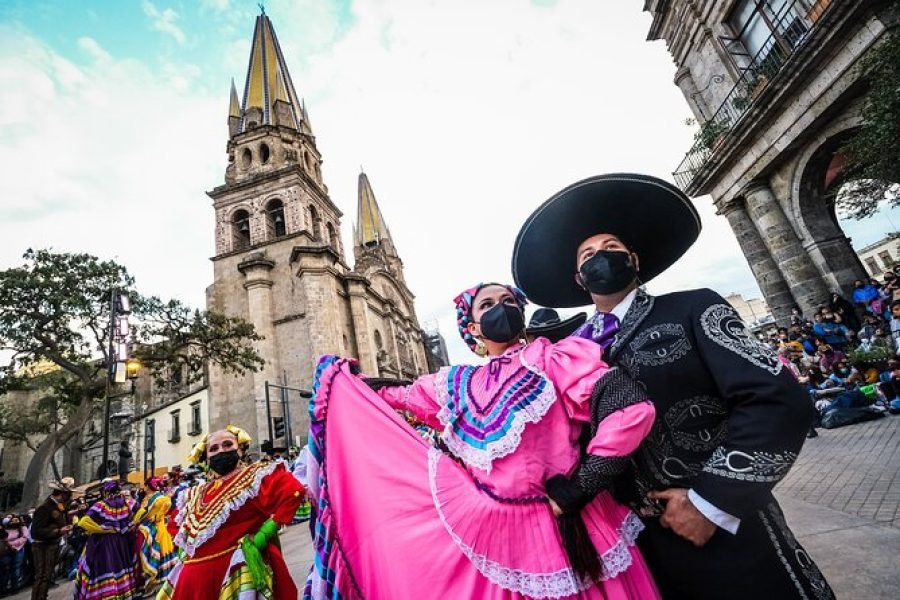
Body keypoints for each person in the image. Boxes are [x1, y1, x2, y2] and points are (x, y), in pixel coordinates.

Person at [511, 173, 833, 599]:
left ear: (635, 260)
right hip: (635, 549)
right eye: (588, 254)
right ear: (579, 280)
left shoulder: (693, 308)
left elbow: (777, 402)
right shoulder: (567, 355)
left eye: (611, 248)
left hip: (726, 531)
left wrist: (711, 502)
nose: (600, 257)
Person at [305, 282, 659, 599]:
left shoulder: (553, 358)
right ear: (473, 328)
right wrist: (343, 382)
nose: (500, 308)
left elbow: (629, 409)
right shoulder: (457, 384)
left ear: (521, 313)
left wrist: (584, 484)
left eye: (507, 301)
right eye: (487, 305)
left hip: (568, 525)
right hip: (494, 535)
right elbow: (398, 394)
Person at [158, 426, 304, 600]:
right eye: (213, 449)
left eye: (227, 444)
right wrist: (185, 551)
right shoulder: (193, 493)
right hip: (193, 582)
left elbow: (293, 491)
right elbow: (175, 526)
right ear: (207, 459)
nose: (221, 450)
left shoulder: (255, 477)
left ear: (240, 450)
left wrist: (265, 534)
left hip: (236, 572)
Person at [73, 479, 138, 599]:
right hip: (121, 541)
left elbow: (83, 522)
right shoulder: (127, 503)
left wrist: (100, 530)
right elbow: (138, 513)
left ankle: (107, 594)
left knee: (105, 567)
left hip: (104, 542)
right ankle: (122, 593)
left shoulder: (101, 505)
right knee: (119, 566)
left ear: (106, 491)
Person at [30, 478, 76, 600]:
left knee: (48, 575)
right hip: (42, 546)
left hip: (52, 544)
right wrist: (58, 531)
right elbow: (36, 531)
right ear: (62, 494)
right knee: (42, 576)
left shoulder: (58, 506)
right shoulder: (45, 507)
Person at [134, 477, 177, 596]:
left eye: (145, 485)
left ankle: (154, 583)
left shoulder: (156, 499)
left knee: (152, 553)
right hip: (154, 528)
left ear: (148, 486)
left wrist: (154, 518)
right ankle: (157, 583)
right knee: (158, 553)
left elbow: (144, 515)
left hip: (154, 529)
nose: (144, 487)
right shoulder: (158, 497)